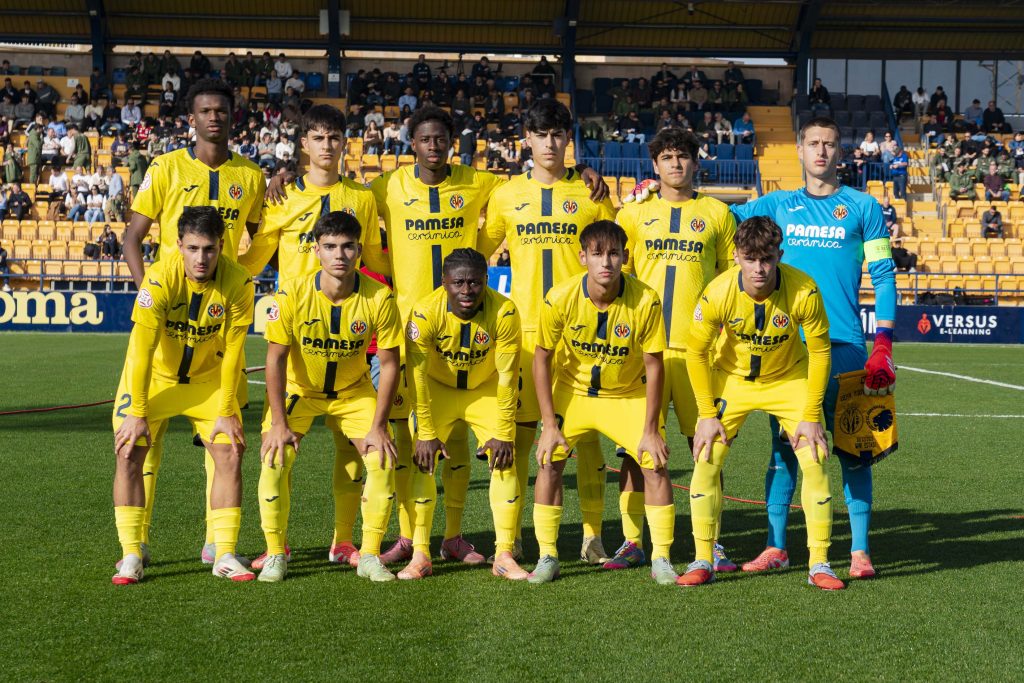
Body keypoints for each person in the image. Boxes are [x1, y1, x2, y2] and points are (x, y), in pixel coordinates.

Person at [729, 118, 896, 580]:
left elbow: (883, 276)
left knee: (854, 449)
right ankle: (776, 547)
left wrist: (883, 341)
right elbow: (718, 219)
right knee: (784, 449)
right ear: (799, 151)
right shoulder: (775, 204)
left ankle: (860, 551)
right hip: (787, 351)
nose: (821, 151)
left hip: (844, 346)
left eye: (829, 143)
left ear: (840, 152)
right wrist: (657, 192)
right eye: (813, 143)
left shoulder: (863, 207)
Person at [122, 78, 266, 567]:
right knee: (145, 440)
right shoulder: (165, 168)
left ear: (232, 116)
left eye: (221, 110)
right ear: (192, 118)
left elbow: (258, 237)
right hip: (167, 315)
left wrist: (241, 280)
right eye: (205, 111)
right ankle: (136, 545)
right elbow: (132, 238)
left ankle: (217, 545)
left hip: (219, 321)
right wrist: (149, 294)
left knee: (222, 440)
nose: (214, 118)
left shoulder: (251, 175)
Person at [239, 104, 388, 570]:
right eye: (318, 138)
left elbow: (376, 260)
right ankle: (277, 546)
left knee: (351, 449)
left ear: (344, 143)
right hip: (297, 338)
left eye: (334, 137)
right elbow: (254, 257)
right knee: (278, 448)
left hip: (347, 339)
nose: (327, 146)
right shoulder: (283, 196)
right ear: (304, 144)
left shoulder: (361, 198)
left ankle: (344, 541)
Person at [478, 98, 618, 566]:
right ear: (527, 139)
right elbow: (478, 252)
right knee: (517, 438)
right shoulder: (506, 195)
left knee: (588, 436)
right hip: (521, 335)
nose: (550, 143)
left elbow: (614, 255)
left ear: (568, 139)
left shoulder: (591, 192)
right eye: (541, 134)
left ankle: (593, 536)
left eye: (558, 134)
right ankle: (511, 536)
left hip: (581, 335)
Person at [678, 215, 842, 590]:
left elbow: (820, 353)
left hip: (788, 379)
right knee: (706, 457)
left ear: (779, 255)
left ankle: (819, 562)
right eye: (750, 258)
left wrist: (811, 414)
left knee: (815, 457)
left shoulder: (804, 290)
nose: (759, 268)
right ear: (736, 256)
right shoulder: (718, 292)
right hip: (732, 379)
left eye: (766, 259)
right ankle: (703, 558)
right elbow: (696, 352)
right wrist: (706, 414)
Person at [109, 206, 255, 585]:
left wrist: (227, 410)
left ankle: (224, 553)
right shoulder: (158, 280)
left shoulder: (239, 282)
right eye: (192, 248)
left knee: (230, 450)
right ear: (178, 245)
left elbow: (234, 352)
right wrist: (137, 411)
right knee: (128, 449)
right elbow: (141, 350)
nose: (201, 258)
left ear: (221, 246)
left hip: (207, 380)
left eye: (209, 249)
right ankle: (131, 555)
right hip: (155, 379)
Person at [257, 210, 402, 583]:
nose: (340, 255)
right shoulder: (291, 293)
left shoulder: (380, 297)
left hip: (354, 393)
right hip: (301, 391)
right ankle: (275, 553)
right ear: (317, 250)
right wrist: (278, 423)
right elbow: (275, 359)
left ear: (359, 251)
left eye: (348, 246)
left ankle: (368, 554)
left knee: (381, 458)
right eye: (331, 246)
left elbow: (389, 365)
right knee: (275, 456)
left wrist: (379, 425)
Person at [616, 128, 737, 573]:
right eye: (666, 157)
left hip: (697, 352)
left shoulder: (718, 213)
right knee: (636, 450)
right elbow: (618, 275)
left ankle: (713, 542)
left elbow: (729, 279)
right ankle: (632, 541)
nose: (675, 164)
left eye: (683, 156)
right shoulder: (633, 213)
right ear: (654, 165)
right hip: (643, 351)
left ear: (695, 162)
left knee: (705, 448)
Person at [528, 220, 676, 586]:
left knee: (654, 464)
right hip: (574, 392)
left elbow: (655, 365)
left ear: (625, 257)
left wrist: (651, 429)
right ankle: (547, 556)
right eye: (597, 254)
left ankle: (661, 558)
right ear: (583, 257)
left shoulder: (646, 299)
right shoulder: (559, 297)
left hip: (627, 394)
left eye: (613, 254)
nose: (606, 262)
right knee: (549, 461)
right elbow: (541, 358)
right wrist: (549, 425)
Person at [400, 249, 527, 581]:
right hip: (437, 390)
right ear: (444, 283)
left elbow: (508, 376)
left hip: (484, 389)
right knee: (423, 460)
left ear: (486, 281)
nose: (467, 290)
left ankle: (504, 554)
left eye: (475, 282)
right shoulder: (424, 312)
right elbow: (416, 377)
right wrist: (426, 433)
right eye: (458, 283)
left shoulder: (505, 311)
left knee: (504, 460)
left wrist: (503, 432)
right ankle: (421, 554)